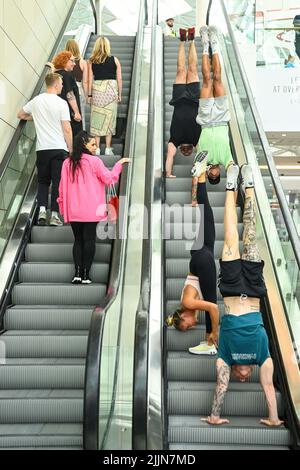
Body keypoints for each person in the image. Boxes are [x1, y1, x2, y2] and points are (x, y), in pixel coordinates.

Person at [201, 164, 284, 427]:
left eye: (240, 377)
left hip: (231, 290)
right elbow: (269, 387)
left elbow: (221, 386)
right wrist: (273, 418)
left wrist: (214, 415)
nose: (243, 378)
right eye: (245, 378)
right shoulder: (263, 358)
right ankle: (248, 188)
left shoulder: (225, 358)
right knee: (249, 236)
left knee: (229, 237)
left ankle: (229, 186)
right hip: (255, 290)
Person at [57, 131, 129, 284]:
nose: (96, 147)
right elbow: (109, 179)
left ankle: (77, 273)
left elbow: (61, 188)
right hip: (91, 209)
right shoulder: (94, 161)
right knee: (89, 240)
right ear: (84, 145)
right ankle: (85, 275)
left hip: (73, 210)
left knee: (78, 240)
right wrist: (118, 165)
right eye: (93, 144)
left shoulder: (67, 163)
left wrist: (63, 208)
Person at [165, 152, 220, 355]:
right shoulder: (187, 302)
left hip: (202, 261)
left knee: (211, 302)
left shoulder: (188, 303)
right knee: (206, 212)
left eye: (187, 325)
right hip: (198, 254)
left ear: (183, 316)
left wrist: (214, 332)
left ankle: (209, 342)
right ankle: (201, 175)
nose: (191, 325)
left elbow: (214, 309)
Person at [17, 72, 72, 227]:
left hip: (42, 149)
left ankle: (41, 211)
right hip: (59, 148)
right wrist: (72, 149)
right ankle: (54, 215)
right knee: (57, 182)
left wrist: (36, 116)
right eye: (61, 83)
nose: (62, 85)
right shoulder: (61, 103)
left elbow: (20, 114)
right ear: (55, 84)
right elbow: (67, 129)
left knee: (42, 181)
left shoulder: (36, 101)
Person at [195, 25, 235, 189]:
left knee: (206, 79)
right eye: (216, 174)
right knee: (217, 78)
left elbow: (197, 167)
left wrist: (202, 169)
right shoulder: (226, 159)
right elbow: (232, 165)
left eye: (211, 173)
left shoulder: (203, 159)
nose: (214, 171)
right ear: (220, 173)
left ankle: (205, 45)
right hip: (221, 118)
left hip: (205, 119)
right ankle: (215, 43)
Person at [165, 27, 202, 182]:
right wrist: (199, 171)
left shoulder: (175, 140)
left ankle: (182, 41)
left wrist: (168, 173)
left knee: (181, 70)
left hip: (179, 99)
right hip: (194, 99)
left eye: (184, 153)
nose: (186, 152)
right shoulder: (196, 140)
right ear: (192, 150)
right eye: (189, 153)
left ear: (180, 150)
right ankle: (192, 40)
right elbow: (202, 157)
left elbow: (169, 156)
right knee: (192, 69)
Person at [87, 37, 122, 156]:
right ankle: (107, 148)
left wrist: (89, 95)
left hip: (97, 90)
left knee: (97, 119)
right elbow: (119, 79)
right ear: (107, 46)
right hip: (111, 90)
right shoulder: (115, 60)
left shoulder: (91, 61)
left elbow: (90, 79)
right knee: (110, 118)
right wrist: (119, 94)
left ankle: (96, 148)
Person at [52, 51, 83, 138]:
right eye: (72, 61)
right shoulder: (68, 75)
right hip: (70, 113)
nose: (74, 64)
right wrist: (76, 112)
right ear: (64, 61)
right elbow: (70, 94)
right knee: (74, 137)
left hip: (58, 112)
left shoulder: (56, 75)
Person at [65, 39, 88, 130]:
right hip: (78, 90)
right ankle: (82, 135)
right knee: (80, 113)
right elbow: (85, 82)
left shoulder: (64, 62)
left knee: (68, 114)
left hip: (66, 90)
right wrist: (87, 95)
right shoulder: (82, 62)